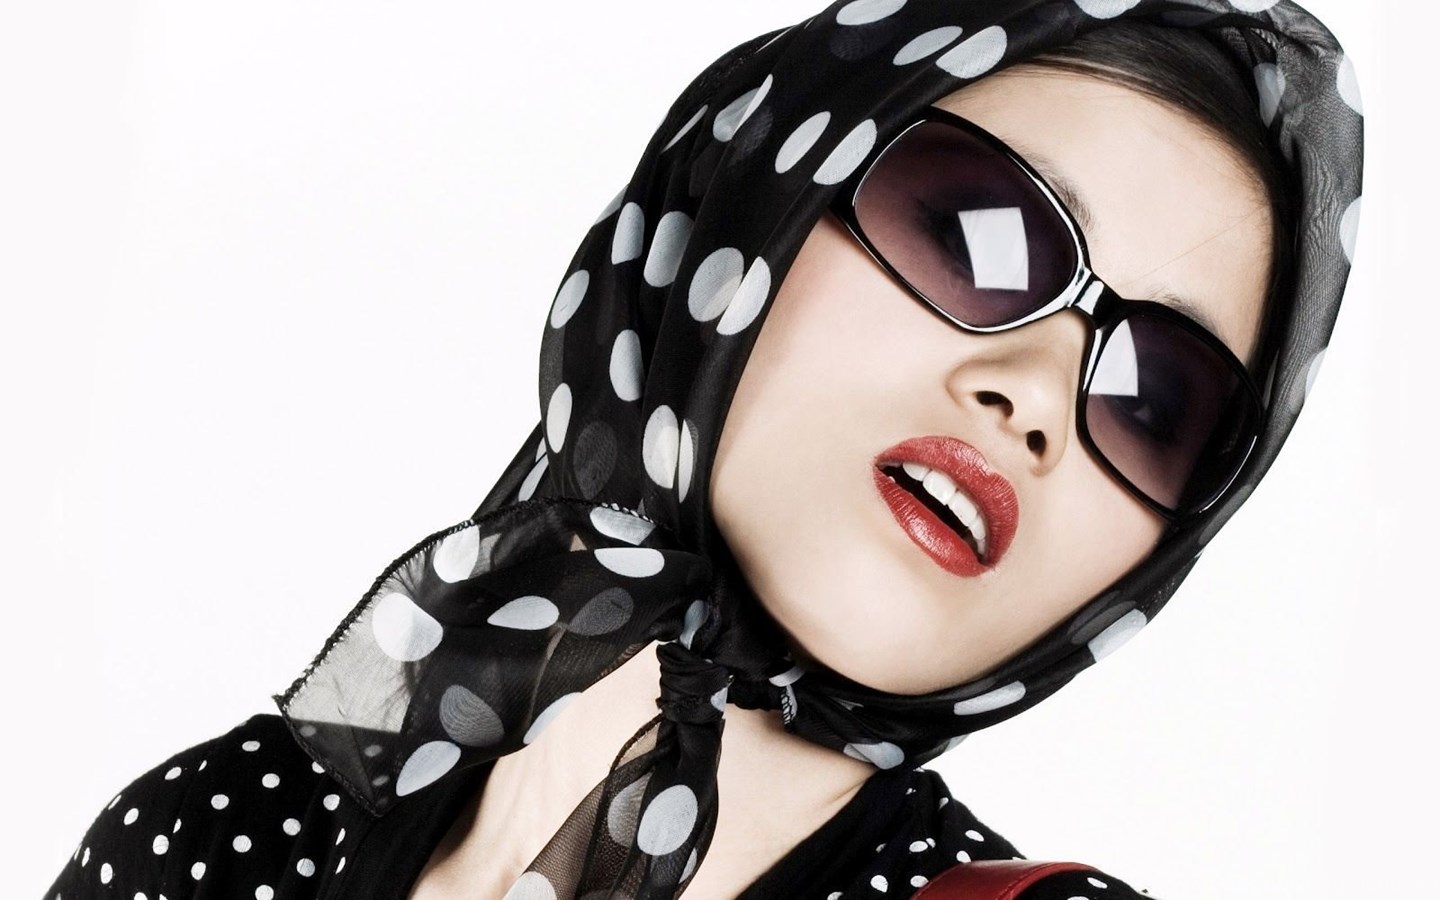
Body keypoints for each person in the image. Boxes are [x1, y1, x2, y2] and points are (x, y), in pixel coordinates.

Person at [44, 0, 1363, 898]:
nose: (1037, 397)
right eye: (978, 233)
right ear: (744, 208)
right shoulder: (217, 835)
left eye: (1157, 399)